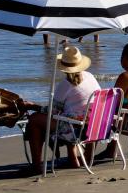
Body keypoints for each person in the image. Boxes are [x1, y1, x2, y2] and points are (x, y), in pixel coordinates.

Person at [21, 46, 100, 175]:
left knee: (35, 120)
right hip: (93, 126)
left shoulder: (65, 85)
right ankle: (73, 159)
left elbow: (53, 111)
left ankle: (36, 166)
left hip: (76, 130)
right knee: (70, 112)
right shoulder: (90, 76)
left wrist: (33, 106)